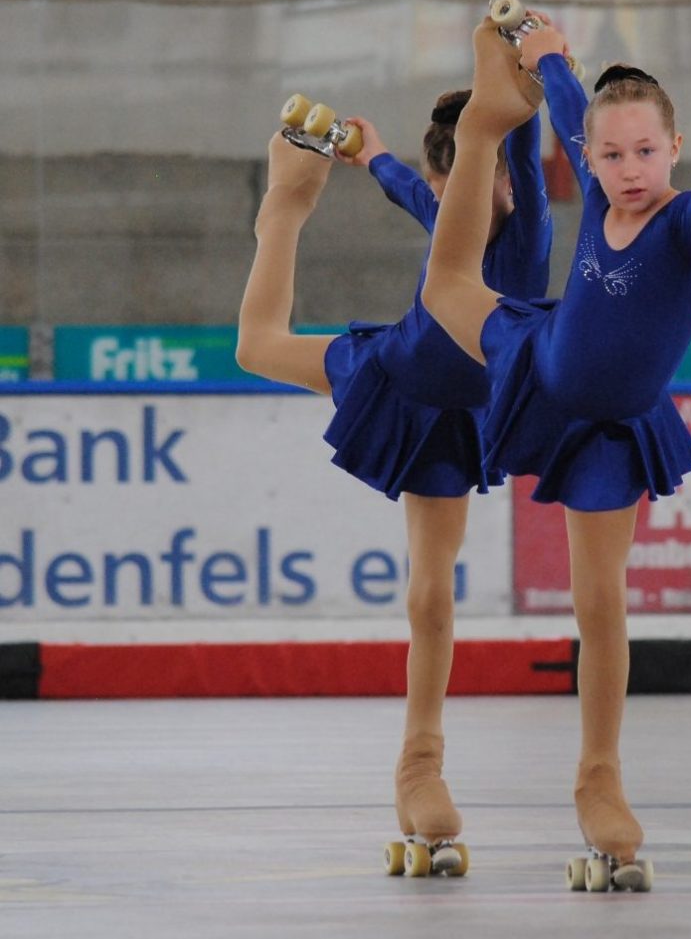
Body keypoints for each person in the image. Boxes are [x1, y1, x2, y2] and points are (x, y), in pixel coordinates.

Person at [420, 13, 691, 882]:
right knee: (444, 293)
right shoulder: (592, 163)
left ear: (672, 148)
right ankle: (476, 127)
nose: (627, 171)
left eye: (644, 154)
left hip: (609, 429)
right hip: (537, 363)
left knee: (598, 604)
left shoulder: (681, 223)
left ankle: (598, 776)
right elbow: (575, 106)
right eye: (611, 157)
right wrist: (542, 56)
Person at [236, 92, 552, 873]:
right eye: (481, 181)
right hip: (399, 375)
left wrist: (531, 78)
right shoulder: (448, 209)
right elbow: (421, 192)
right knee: (256, 347)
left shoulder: (526, 224)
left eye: (507, 179)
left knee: (432, 589)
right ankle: (283, 208)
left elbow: (509, 163)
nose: (501, 193)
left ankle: (420, 761)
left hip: (459, 413)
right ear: (450, 188)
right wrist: (373, 157)